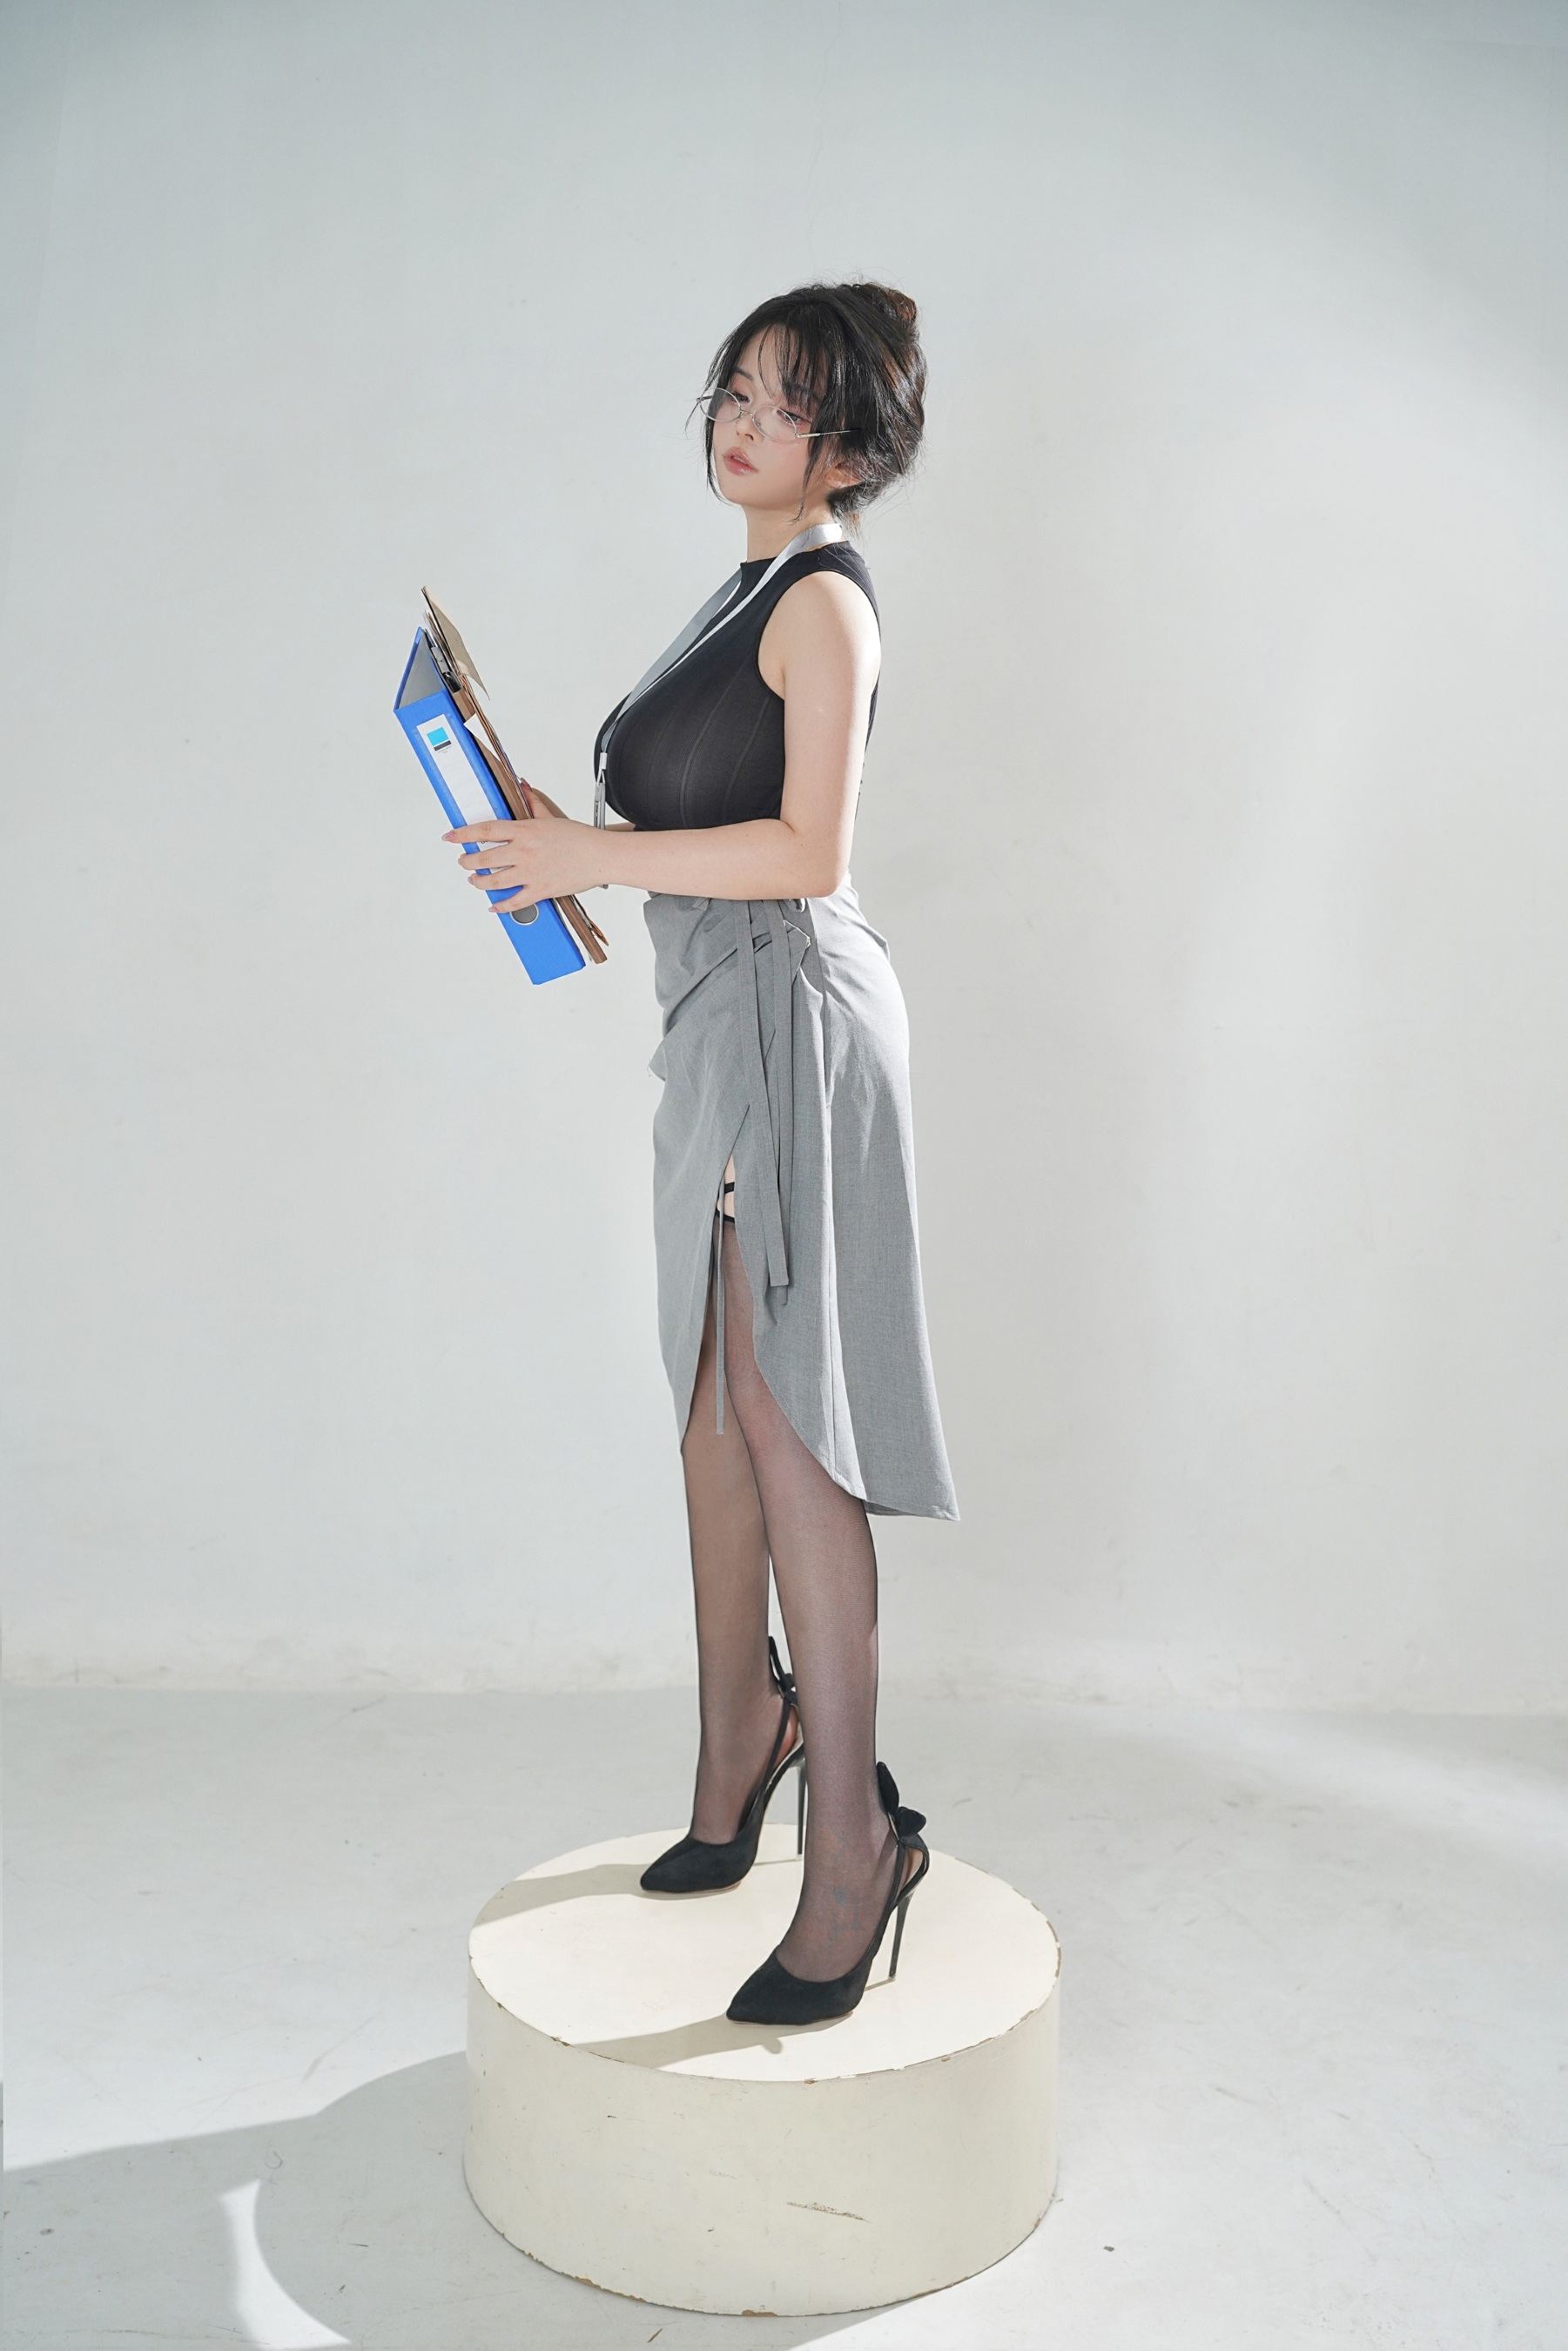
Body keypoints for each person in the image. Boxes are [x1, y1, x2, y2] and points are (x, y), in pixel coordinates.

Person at [443, 281, 956, 2024]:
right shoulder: (745, 586)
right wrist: (554, 833)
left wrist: (588, 853)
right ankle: (741, 1736)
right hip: (716, 1019)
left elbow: (809, 851)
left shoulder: (822, 603)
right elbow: (693, 815)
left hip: (792, 1021)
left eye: (786, 403)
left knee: (785, 1418)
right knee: (711, 1401)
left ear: (852, 445)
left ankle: (853, 1850)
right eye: (733, 389)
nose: (743, 423)